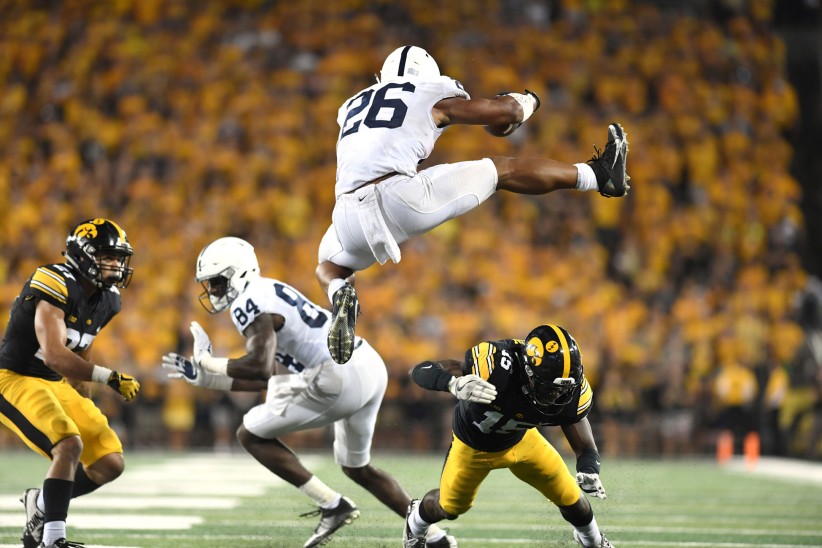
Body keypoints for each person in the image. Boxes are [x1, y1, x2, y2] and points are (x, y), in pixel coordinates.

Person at [317, 45, 631, 364]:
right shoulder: (429, 89)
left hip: (346, 212)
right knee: (500, 170)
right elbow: (506, 114)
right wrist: (529, 100)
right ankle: (598, 175)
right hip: (398, 196)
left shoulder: (352, 105)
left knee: (330, 265)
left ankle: (339, 292)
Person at [162, 236, 457, 548]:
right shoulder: (269, 288)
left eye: (218, 283)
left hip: (336, 377)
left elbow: (259, 368)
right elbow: (266, 378)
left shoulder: (247, 302)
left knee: (249, 434)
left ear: (239, 273)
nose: (214, 292)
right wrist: (207, 379)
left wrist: (208, 361)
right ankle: (435, 538)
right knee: (357, 468)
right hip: (367, 364)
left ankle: (332, 505)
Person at [403, 323, 613, 548]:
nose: (557, 395)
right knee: (450, 508)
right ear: (529, 371)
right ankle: (415, 521)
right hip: (473, 446)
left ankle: (594, 542)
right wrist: (452, 384)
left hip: (521, 440)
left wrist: (589, 470)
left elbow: (585, 447)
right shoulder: (498, 366)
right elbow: (420, 371)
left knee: (571, 498)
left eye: (563, 390)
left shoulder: (568, 391)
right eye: (550, 387)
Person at [0, 218, 141, 548]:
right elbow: (53, 355)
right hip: (13, 378)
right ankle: (52, 540)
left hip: (54, 382)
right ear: (84, 256)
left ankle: (42, 505)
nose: (117, 265)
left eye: (119, 258)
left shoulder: (109, 299)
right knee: (69, 444)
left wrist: (84, 390)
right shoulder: (53, 281)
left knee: (109, 461)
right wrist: (109, 377)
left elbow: (83, 343)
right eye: (108, 256)